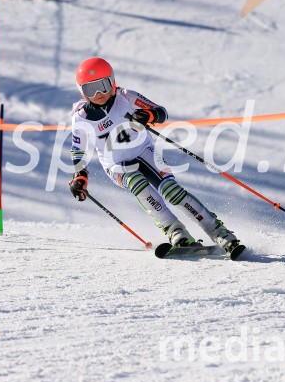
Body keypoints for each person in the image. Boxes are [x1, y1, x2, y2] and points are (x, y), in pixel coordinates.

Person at [68, 57, 241, 253]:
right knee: (138, 184)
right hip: (115, 165)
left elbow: (161, 112)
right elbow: (78, 149)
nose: (99, 93)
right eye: (91, 89)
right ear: (82, 91)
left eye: (103, 85)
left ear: (113, 81)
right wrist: (80, 176)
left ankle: (219, 231)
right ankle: (176, 231)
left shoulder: (126, 97)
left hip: (144, 153)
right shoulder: (80, 117)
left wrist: (147, 115)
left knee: (171, 190)